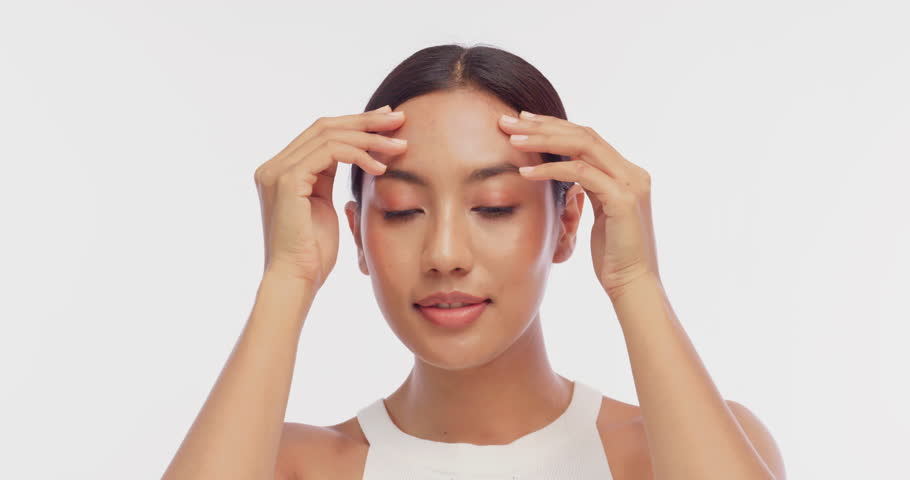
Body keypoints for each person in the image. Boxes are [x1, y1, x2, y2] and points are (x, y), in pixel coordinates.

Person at [162, 44, 786, 480]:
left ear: (568, 222)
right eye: (403, 210)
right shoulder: (295, 466)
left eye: (492, 207)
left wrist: (636, 281)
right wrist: (286, 277)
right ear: (356, 234)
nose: (445, 255)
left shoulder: (679, 451)